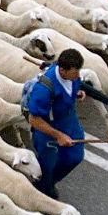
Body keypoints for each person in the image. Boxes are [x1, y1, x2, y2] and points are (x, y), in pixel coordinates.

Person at [26, 49, 87, 199]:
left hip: (68, 120)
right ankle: (42, 190)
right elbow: (34, 120)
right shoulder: (44, 88)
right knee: (47, 165)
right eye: (74, 72)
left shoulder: (73, 77)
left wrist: (76, 93)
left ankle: (51, 181)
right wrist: (58, 136)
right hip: (48, 128)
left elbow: (73, 86)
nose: (78, 75)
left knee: (75, 156)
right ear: (62, 70)